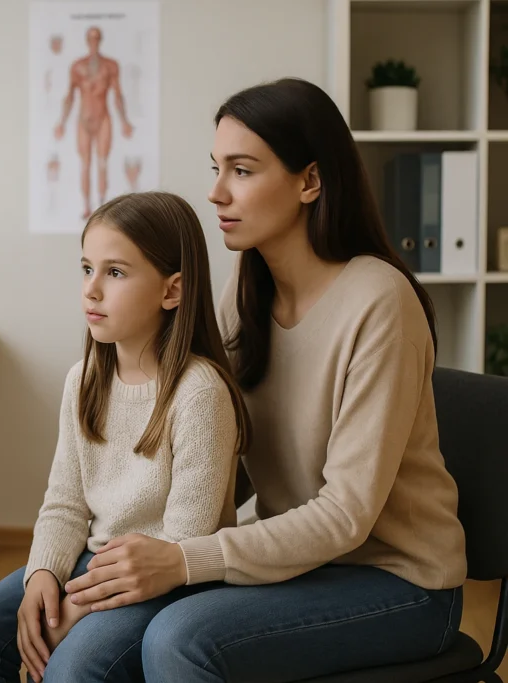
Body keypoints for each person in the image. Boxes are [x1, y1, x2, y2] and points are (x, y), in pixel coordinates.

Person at [61, 77, 469, 680]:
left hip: (398, 584)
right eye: (216, 167)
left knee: (179, 639)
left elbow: (345, 517)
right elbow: (214, 445)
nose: (216, 192)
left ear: (310, 181)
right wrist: (119, 556)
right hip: (295, 563)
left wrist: (182, 559)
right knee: (6, 631)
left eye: (242, 171)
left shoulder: (380, 302)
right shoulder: (245, 288)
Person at [0, 191, 251, 682]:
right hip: (98, 561)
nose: (91, 289)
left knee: (74, 667)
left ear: (172, 291)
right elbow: (66, 503)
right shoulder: (83, 379)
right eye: (87, 268)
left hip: (169, 579)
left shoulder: (200, 394)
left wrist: (81, 607)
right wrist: (44, 575)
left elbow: (184, 541)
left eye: (115, 273)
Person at [54, 26, 134, 220]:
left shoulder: (110, 66)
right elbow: (70, 97)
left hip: (103, 118)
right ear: (86, 41)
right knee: (85, 164)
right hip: (83, 119)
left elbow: (118, 95)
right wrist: (61, 122)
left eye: (97, 38)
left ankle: (101, 204)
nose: (94, 42)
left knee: (103, 162)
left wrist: (124, 121)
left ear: (100, 40)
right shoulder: (77, 66)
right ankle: (87, 206)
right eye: (91, 38)